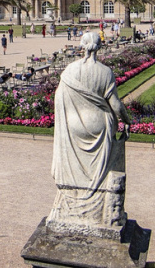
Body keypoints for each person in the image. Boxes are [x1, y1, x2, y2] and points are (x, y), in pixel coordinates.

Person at [49, 32, 131, 227]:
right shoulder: (105, 72)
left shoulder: (70, 70)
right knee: (101, 173)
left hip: (74, 125)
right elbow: (116, 105)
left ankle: (70, 203)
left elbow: (59, 97)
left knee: (75, 170)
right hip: (99, 126)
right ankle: (100, 207)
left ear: (81, 45)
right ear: (99, 47)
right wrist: (126, 121)